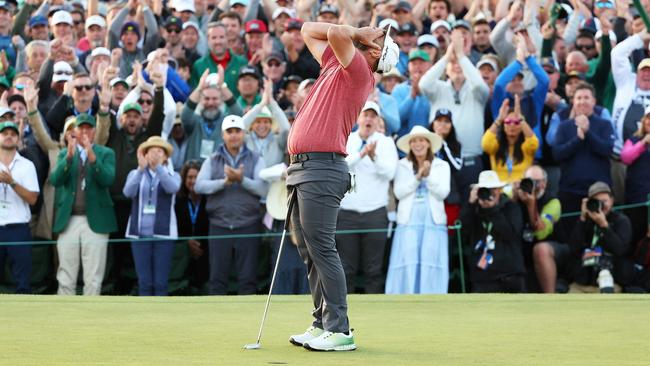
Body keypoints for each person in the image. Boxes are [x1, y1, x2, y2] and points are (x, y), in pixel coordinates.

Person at [286, 21, 398, 352]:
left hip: (323, 167)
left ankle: (340, 328)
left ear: (376, 52)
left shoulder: (361, 73)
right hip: (304, 167)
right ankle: (322, 322)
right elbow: (308, 29)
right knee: (309, 251)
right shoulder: (338, 61)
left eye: (378, 35)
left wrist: (358, 32)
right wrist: (359, 34)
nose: (373, 31)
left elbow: (336, 33)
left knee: (321, 248)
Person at [194, 115, 267, 295]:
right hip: (219, 225)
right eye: (230, 132)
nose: (234, 135)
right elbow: (199, 185)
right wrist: (224, 183)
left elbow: (263, 189)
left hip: (248, 224)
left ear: (244, 134)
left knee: (248, 279)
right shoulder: (213, 159)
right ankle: (216, 321)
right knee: (217, 279)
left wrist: (241, 179)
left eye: (237, 131)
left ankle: (249, 321)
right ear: (223, 135)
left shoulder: (256, 158)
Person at [50, 114, 117, 295]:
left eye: (89, 128)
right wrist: (69, 158)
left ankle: (90, 318)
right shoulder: (65, 153)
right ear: (75, 132)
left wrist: (93, 158)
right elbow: (55, 180)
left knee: (93, 276)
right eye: (81, 128)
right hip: (69, 219)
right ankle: (64, 317)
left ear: (95, 131)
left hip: (96, 220)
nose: (85, 132)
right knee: (66, 274)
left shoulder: (106, 153)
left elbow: (108, 179)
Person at [419, 30, 489, 203]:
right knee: (442, 210)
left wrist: (461, 56)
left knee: (471, 209)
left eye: (461, 64)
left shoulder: (476, 92)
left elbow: (481, 85)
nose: (457, 65)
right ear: (446, 70)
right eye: (453, 63)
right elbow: (424, 83)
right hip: (440, 162)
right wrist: (447, 57)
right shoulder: (438, 89)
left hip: (470, 162)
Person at [336, 101, 398, 294]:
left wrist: (374, 158)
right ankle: (343, 316)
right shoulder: (346, 139)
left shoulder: (386, 142)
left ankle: (376, 314)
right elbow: (340, 167)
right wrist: (361, 154)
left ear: (378, 120)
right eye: (365, 115)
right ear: (358, 118)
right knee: (346, 269)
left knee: (374, 270)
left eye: (373, 116)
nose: (369, 119)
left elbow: (390, 174)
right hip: (347, 213)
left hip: (375, 213)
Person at [385, 125, 450, 294]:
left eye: (421, 140)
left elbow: (443, 192)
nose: (417, 144)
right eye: (414, 141)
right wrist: (418, 177)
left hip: (433, 220)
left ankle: (433, 298)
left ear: (428, 143)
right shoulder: (402, 165)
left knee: (431, 259)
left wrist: (427, 177)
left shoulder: (442, 166)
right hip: (408, 220)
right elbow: (399, 192)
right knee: (408, 259)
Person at [123, 137, 181, 296]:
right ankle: (145, 318)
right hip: (139, 235)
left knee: (161, 282)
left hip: (164, 236)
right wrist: (141, 170)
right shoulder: (135, 173)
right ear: (145, 155)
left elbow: (172, 188)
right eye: (151, 151)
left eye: (159, 151)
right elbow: (128, 192)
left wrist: (160, 169)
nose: (155, 154)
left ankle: (161, 318)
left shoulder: (173, 174)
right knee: (144, 281)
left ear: (165, 157)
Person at [461, 170, 526, 293]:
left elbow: (511, 234)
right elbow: (462, 231)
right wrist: (470, 204)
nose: (489, 193)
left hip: (510, 276)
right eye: (485, 190)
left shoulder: (511, 207)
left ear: (499, 190)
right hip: (483, 278)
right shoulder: (474, 210)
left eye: (493, 189)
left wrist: (492, 210)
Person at [569, 182, 632, 293]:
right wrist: (582, 219)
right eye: (597, 202)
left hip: (611, 281)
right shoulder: (585, 221)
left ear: (612, 201)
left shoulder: (621, 221)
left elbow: (620, 250)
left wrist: (604, 226)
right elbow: (574, 249)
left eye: (604, 201)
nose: (602, 206)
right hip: (584, 281)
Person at [0, 121, 39, 294]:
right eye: (4, 133)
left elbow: (32, 199)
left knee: (23, 283)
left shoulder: (27, 165)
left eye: (13, 134)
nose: (8, 136)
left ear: (18, 138)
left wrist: (12, 182)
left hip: (19, 229)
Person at [511, 165, 564, 293]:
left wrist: (531, 205)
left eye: (537, 182)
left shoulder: (553, 202)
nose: (534, 186)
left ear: (545, 183)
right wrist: (512, 199)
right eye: (530, 182)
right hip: (523, 250)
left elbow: (540, 233)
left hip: (553, 249)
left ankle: (550, 297)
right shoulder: (516, 195)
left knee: (540, 250)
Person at [482, 97, 539, 184]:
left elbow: (534, 143)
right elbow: (486, 144)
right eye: (508, 122)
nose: (512, 125)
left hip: (520, 190)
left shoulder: (526, 147)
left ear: (521, 127)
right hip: (499, 192)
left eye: (516, 122)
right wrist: (499, 119)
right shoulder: (496, 146)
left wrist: (521, 119)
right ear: (503, 125)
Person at [175, 161, 210, 294]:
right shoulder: (178, 200)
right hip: (183, 251)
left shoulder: (208, 199)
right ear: (184, 179)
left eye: (197, 177)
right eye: (190, 177)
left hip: (205, 251)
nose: (193, 181)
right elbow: (176, 228)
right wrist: (187, 242)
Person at [242, 78, 290, 167]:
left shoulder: (278, 140)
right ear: (252, 124)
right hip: (251, 180)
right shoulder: (246, 139)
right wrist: (261, 104)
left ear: (271, 124)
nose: (262, 125)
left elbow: (286, 129)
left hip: (275, 180)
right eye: (258, 122)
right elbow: (239, 126)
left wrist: (271, 101)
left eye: (266, 121)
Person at [620, 108, 650, 251]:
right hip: (636, 199)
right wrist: (643, 143)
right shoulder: (634, 140)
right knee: (635, 236)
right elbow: (626, 157)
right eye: (648, 118)